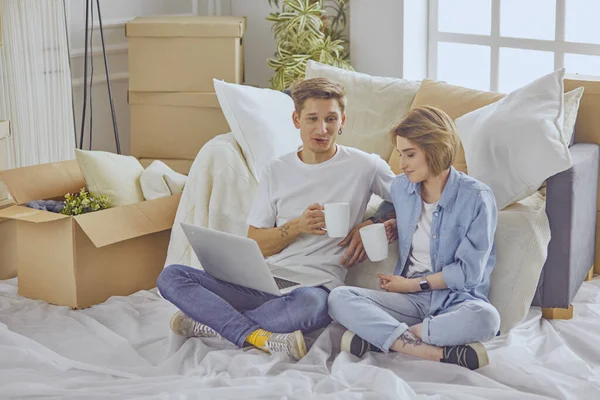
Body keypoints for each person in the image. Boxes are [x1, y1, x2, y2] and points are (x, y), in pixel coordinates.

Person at [156, 78, 396, 361]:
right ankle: (256, 335)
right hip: (265, 283)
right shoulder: (277, 170)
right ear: (296, 120)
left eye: (331, 119)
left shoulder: (364, 166)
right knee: (172, 276)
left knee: (312, 308)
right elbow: (256, 242)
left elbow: (409, 197)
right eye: (312, 119)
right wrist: (297, 227)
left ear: (343, 120)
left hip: (313, 289)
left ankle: (214, 323)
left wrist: (374, 222)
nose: (322, 129)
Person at [328, 106, 501, 370]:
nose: (401, 164)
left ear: (436, 149)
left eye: (410, 154)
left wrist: (411, 285)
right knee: (339, 298)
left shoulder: (477, 198)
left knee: (488, 319)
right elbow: (391, 207)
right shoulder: (401, 187)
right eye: (400, 154)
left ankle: (382, 337)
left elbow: (469, 274)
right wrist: (388, 224)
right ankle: (434, 353)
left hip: (455, 299)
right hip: (408, 302)